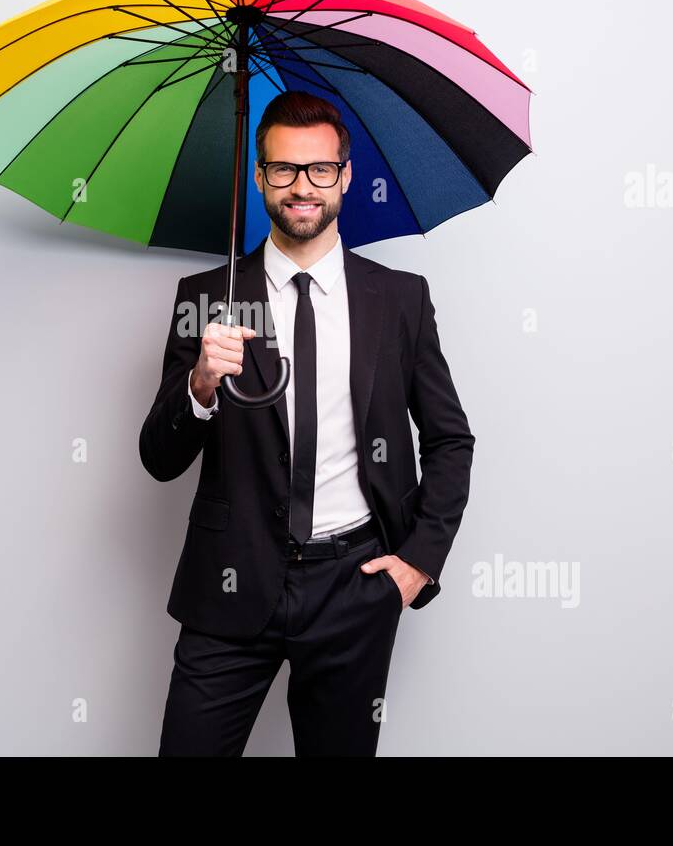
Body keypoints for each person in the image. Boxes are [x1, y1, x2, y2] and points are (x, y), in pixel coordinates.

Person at [139, 90, 475, 756]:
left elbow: (449, 438)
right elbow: (159, 456)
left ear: (345, 176)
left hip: (353, 586)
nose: (303, 187)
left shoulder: (400, 300)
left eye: (320, 169)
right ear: (260, 177)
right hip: (229, 583)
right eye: (285, 169)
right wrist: (201, 383)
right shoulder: (207, 299)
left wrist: (418, 562)